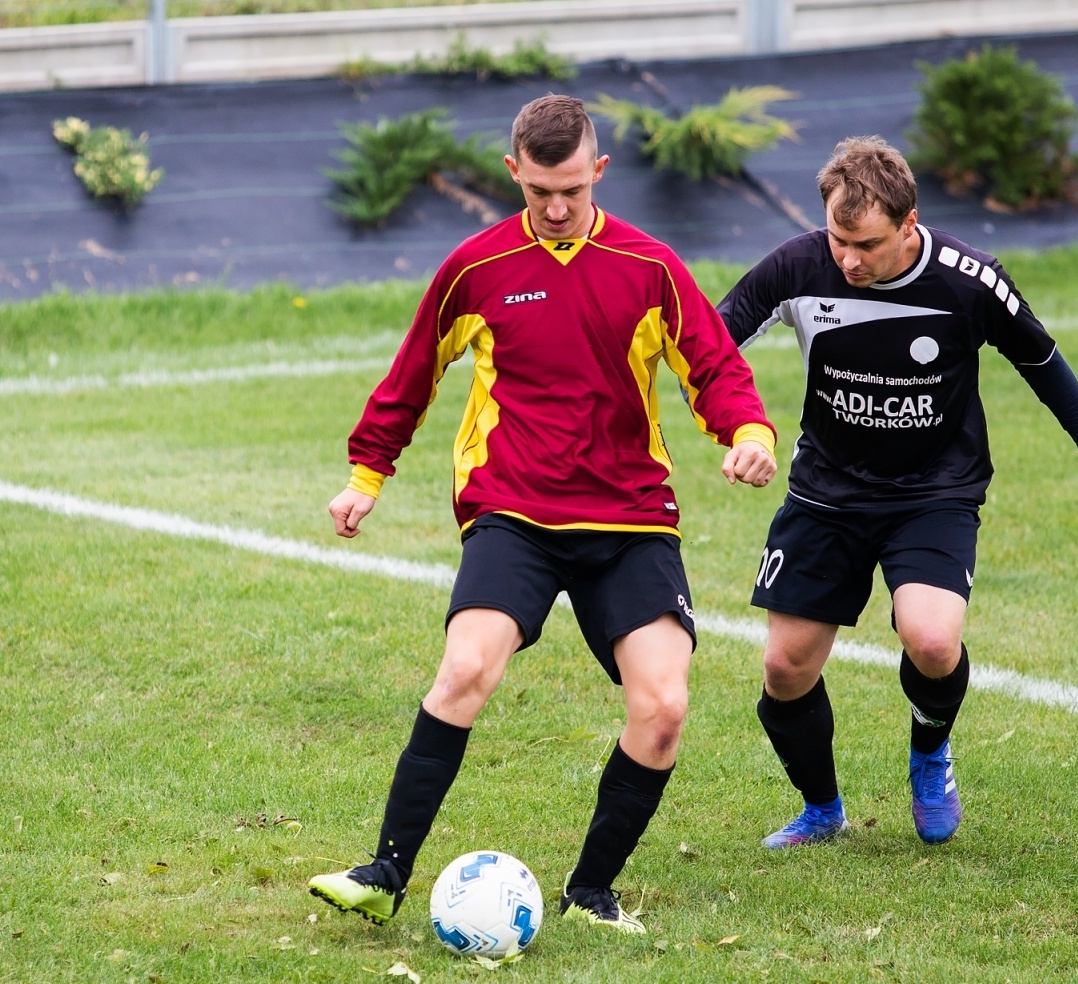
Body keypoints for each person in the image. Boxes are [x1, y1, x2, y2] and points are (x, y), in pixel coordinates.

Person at [308, 94, 778, 935]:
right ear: (513, 173)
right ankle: (385, 872)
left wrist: (748, 432)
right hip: (514, 510)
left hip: (629, 518)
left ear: (598, 171)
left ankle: (590, 891)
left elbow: (712, 366)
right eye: (538, 192)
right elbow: (413, 374)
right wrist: (366, 475)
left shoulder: (649, 267)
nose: (556, 208)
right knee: (465, 670)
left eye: (572, 190)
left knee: (664, 706)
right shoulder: (475, 267)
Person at [715, 136, 1078, 849]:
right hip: (827, 492)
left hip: (934, 490)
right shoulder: (797, 265)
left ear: (909, 223)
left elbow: (1041, 358)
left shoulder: (969, 280)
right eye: (838, 239)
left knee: (933, 640)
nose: (849, 260)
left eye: (867, 244)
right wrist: (742, 432)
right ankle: (822, 809)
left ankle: (930, 753)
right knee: (785, 668)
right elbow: (709, 347)